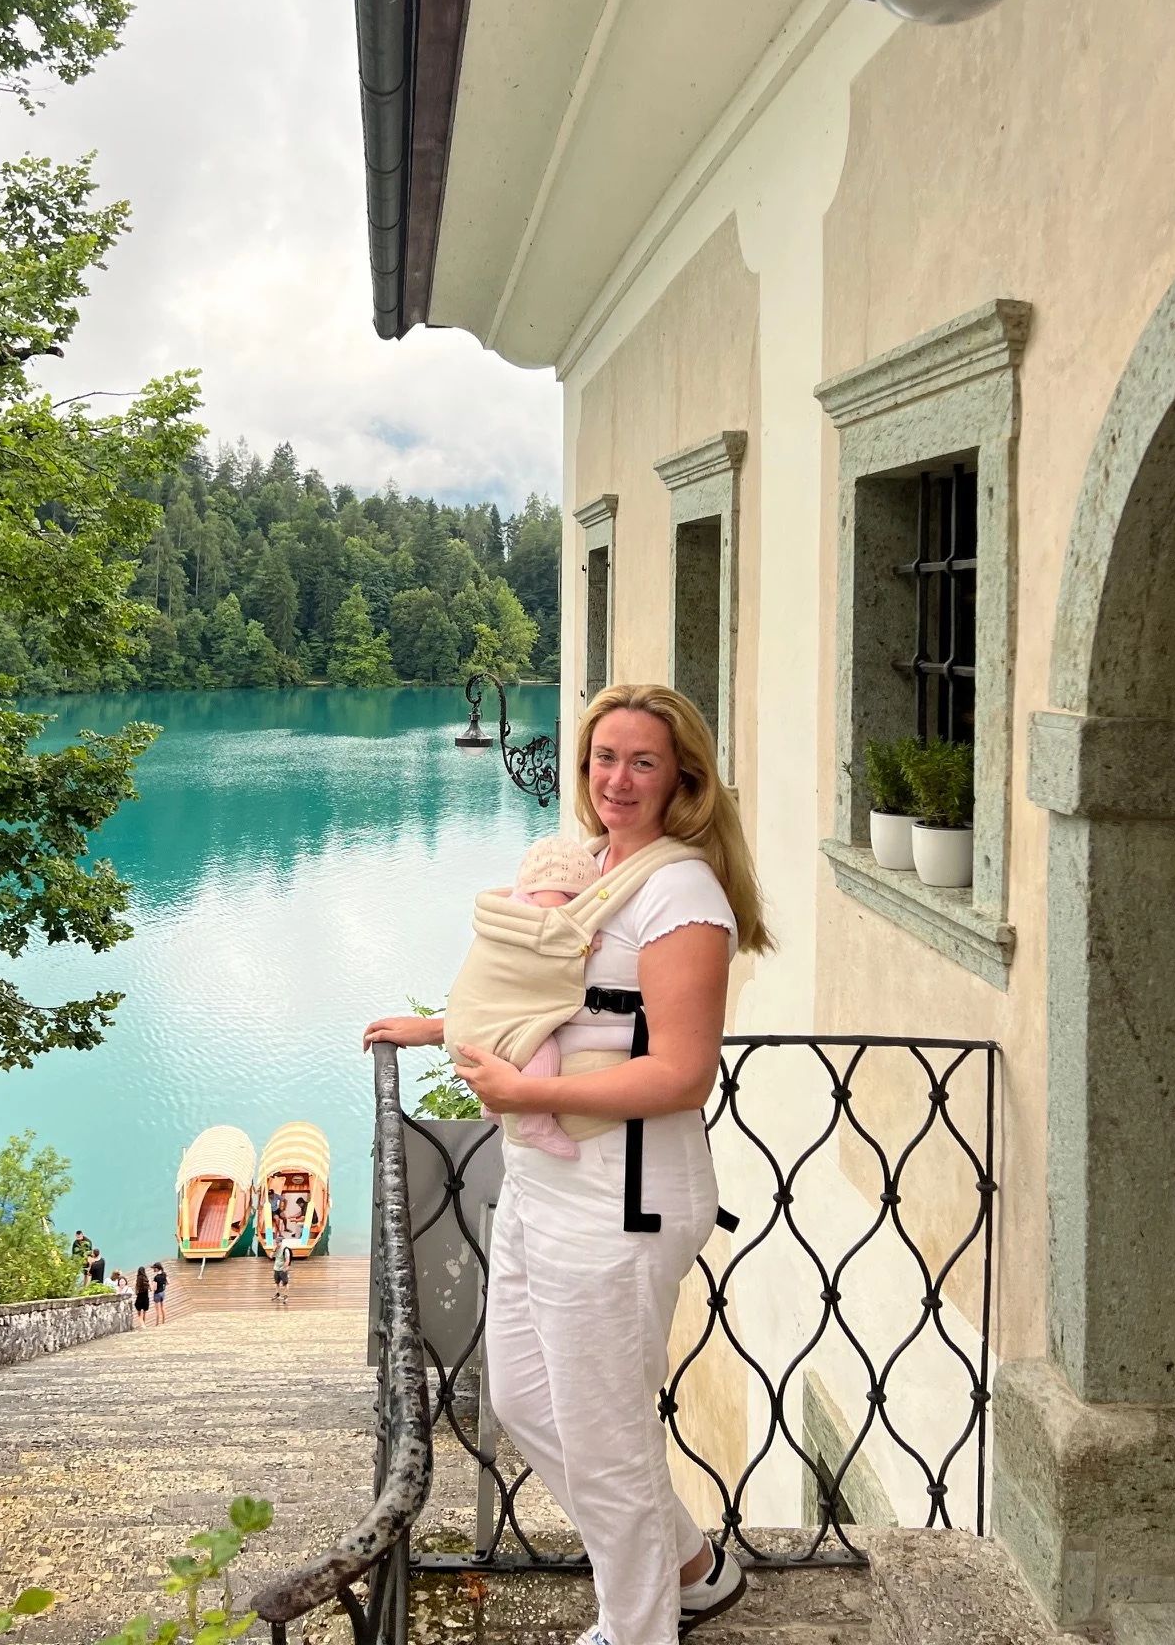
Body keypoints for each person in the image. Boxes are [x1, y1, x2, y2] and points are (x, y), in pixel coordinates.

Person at [364, 685, 773, 1643]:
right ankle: (690, 1567)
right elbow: (549, 994)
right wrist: (443, 1028)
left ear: (682, 778)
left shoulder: (683, 893)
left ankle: (638, 1627)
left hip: (622, 1198)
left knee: (605, 1435)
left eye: (642, 761)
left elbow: (679, 1073)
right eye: (604, 758)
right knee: (525, 1400)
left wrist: (528, 1095)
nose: (618, 779)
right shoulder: (587, 867)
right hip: (544, 1187)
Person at [445, 833, 604, 1160]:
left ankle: (493, 1104)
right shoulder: (531, 920)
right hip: (486, 1026)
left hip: (475, 1021)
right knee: (541, 1047)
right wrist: (584, 947)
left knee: (516, 1045)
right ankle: (536, 1120)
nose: (565, 909)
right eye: (563, 897)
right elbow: (546, 964)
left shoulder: (514, 909)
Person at [272, 1234, 293, 1306]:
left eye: (278, 1243)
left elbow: (287, 1259)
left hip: (282, 1269)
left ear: (281, 1242)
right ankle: (277, 1294)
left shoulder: (285, 1249)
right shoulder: (275, 1249)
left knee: (285, 1283)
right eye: (276, 1243)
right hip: (276, 1268)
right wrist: (273, 1250)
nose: (277, 1244)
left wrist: (285, 1268)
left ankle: (286, 1296)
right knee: (277, 1282)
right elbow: (271, 1256)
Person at [151, 1260, 168, 1325]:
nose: (153, 1269)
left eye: (154, 1268)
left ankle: (157, 1324)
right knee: (162, 1308)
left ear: (157, 1268)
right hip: (162, 1293)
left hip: (157, 1294)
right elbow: (168, 1282)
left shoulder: (156, 1277)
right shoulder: (164, 1274)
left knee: (157, 1310)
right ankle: (163, 1322)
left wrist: (151, 1283)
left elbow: (154, 1288)